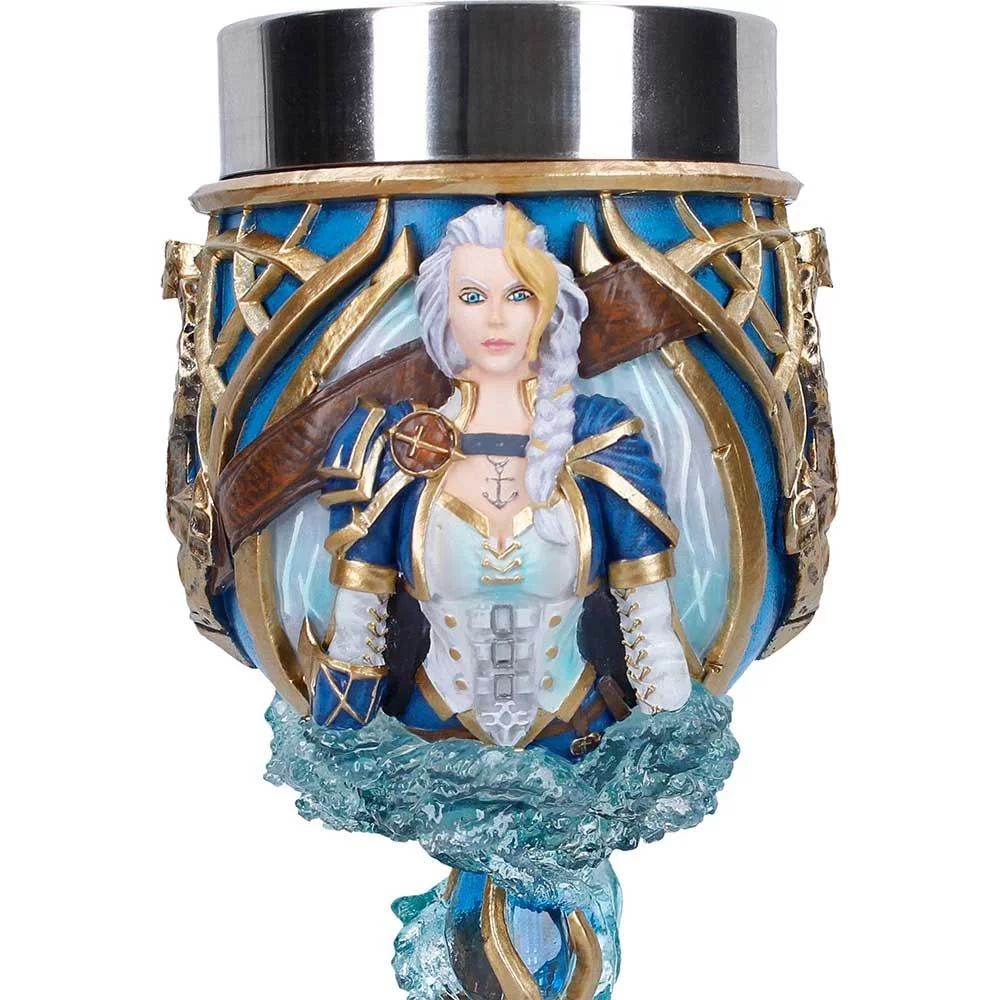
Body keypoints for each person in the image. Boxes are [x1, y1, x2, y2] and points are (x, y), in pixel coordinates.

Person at [302, 201, 692, 759]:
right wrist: (346, 757)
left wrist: (666, 754)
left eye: (518, 294)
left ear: (548, 305)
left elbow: (650, 632)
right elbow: (356, 635)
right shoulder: (395, 445)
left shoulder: (602, 436)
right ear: (441, 308)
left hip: (583, 737)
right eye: (472, 296)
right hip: (429, 744)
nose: (495, 319)